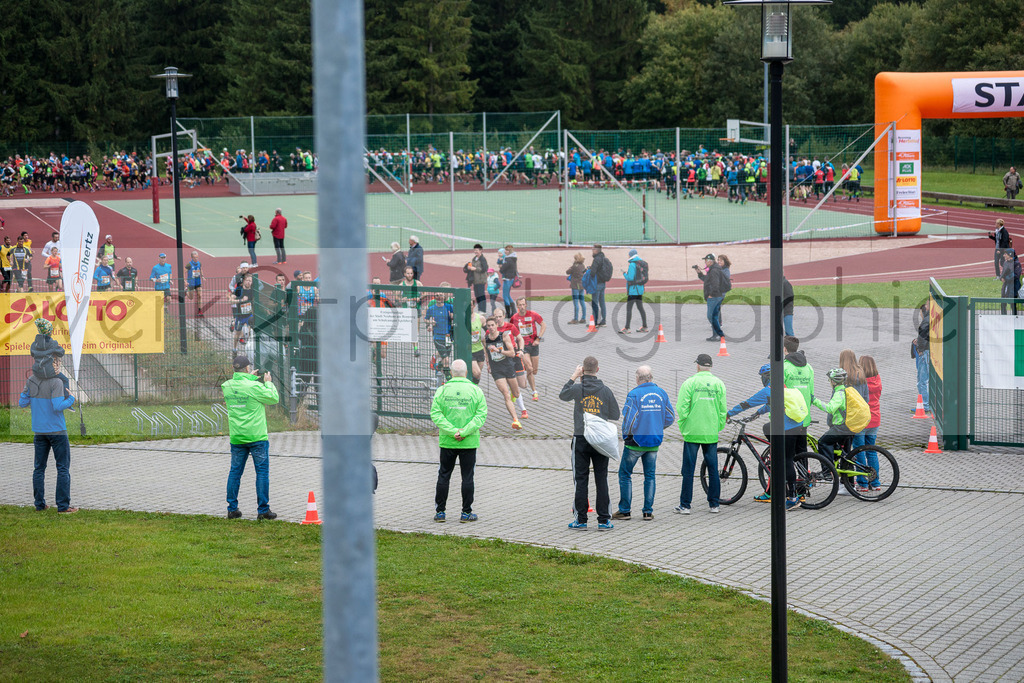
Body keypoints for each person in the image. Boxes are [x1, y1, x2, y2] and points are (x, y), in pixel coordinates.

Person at [727, 363, 806, 509]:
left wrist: (729, 414)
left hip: (786, 428)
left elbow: (747, 403)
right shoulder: (782, 387)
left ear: (766, 377)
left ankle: (793, 497)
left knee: (785, 459)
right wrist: (756, 415)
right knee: (768, 429)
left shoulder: (768, 390)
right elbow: (770, 405)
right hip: (797, 425)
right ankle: (792, 489)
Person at [559, 356, 620, 530]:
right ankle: (603, 520)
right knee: (602, 479)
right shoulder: (606, 390)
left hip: (580, 438)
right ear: (598, 370)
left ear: (582, 371)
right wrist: (600, 413)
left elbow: (563, 395)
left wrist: (573, 377)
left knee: (580, 480)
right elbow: (615, 414)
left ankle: (581, 520)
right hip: (600, 440)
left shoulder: (577, 389)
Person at [222, 354, 280, 520]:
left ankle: (232, 509)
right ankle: (263, 510)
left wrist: (249, 379)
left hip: (237, 437)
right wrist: (267, 382)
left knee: (235, 472)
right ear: (247, 368)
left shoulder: (226, 386)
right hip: (257, 437)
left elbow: (240, 388)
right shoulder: (254, 386)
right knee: (261, 473)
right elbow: (273, 398)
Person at [613, 365, 675, 521]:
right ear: (651, 377)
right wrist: (657, 428)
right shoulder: (662, 393)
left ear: (637, 378)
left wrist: (626, 435)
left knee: (625, 475)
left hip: (635, 442)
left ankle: (625, 510)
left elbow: (629, 419)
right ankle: (647, 511)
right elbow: (670, 417)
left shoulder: (634, 394)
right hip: (653, 442)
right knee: (650, 476)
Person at [429, 359, 487, 523]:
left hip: (448, 441)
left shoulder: (442, 390)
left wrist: (452, 431)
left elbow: (436, 414)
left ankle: (440, 512)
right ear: (467, 373)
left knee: (444, 475)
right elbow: (481, 415)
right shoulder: (476, 391)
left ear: (451, 373)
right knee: (467, 477)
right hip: (469, 442)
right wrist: (465, 431)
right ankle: (466, 513)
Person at [19, 353, 77, 513]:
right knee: (63, 468)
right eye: (57, 363)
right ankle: (63, 506)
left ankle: (39, 504)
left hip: (39, 431)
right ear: (53, 365)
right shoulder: (57, 382)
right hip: (57, 431)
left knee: (39, 468)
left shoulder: (31, 381)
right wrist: (71, 399)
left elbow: (22, 402)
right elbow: (58, 406)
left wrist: (31, 395)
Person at [675, 353, 727, 514]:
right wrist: (717, 426)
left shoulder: (690, 383)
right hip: (710, 432)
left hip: (692, 432)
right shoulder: (719, 383)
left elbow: (681, 408)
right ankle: (714, 504)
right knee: (712, 469)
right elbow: (722, 409)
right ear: (710, 366)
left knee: (688, 470)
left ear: (697, 365)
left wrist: (684, 424)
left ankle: (685, 505)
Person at [483, 316, 522, 430]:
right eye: (488, 326)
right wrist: (488, 364)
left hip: (508, 367)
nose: (491, 328)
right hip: (496, 369)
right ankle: (516, 420)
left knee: (516, 393)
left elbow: (512, 353)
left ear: (496, 325)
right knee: (505, 394)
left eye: (492, 325)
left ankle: (513, 394)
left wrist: (499, 350)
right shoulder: (485, 339)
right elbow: (486, 352)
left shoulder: (504, 336)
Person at [813, 368, 855, 463]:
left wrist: (814, 400)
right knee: (843, 453)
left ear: (833, 381)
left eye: (830, 380)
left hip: (841, 427)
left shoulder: (839, 394)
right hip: (848, 426)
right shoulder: (846, 390)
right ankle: (845, 476)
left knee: (823, 442)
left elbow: (830, 409)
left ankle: (827, 471)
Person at [512, 296, 545, 401]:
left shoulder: (533, 315)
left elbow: (543, 325)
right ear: (517, 306)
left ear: (526, 305)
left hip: (534, 345)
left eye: (523, 304)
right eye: (519, 305)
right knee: (529, 368)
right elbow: (511, 332)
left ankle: (522, 374)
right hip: (523, 346)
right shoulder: (514, 318)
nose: (522, 307)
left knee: (534, 371)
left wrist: (538, 338)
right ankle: (534, 391)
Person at [859, 355, 883, 491]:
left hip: (862, 419)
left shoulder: (860, 381)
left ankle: (862, 483)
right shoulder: (877, 379)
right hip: (875, 419)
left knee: (859, 451)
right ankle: (875, 482)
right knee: (872, 451)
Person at [694, 253, 728, 341]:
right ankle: (716, 334)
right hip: (715, 296)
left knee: (711, 316)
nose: (705, 263)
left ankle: (717, 334)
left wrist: (711, 294)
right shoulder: (713, 269)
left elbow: (715, 284)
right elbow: (707, 280)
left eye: (706, 261)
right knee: (712, 316)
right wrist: (700, 273)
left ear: (710, 261)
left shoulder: (714, 270)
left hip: (714, 297)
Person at [839, 349, 868, 450]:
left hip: (846, 417)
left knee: (843, 448)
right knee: (856, 446)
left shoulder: (841, 377)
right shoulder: (861, 374)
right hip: (859, 414)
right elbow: (866, 397)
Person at [620, 248, 649, 333]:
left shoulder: (632, 264)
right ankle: (645, 326)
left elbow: (630, 278)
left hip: (633, 290)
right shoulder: (641, 263)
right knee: (640, 308)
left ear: (630, 255)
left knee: (629, 309)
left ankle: (627, 328)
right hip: (640, 289)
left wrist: (624, 274)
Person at [913, 303, 931, 414]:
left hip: (924, 352)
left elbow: (922, 336)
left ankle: (924, 405)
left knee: (922, 381)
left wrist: (920, 349)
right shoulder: (931, 319)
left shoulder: (926, 321)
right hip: (928, 351)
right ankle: (926, 404)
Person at [589, 244, 612, 326]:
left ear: (596, 250)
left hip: (597, 284)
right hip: (603, 283)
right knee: (602, 302)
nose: (592, 250)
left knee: (594, 303)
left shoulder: (596, 259)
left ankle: (595, 321)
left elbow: (592, 273)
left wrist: (590, 270)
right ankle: (603, 320)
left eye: (593, 249)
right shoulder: (604, 258)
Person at [466, 243, 488, 313]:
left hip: (481, 280)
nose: (475, 251)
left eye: (477, 250)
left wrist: (474, 268)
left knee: (481, 295)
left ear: (481, 251)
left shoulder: (482, 259)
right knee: (477, 295)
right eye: (474, 250)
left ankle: (483, 310)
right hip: (475, 280)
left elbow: (484, 269)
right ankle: (479, 309)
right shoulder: (474, 258)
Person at [498, 244, 518, 318]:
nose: (505, 251)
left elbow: (502, 269)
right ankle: (514, 310)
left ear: (509, 251)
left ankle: (508, 313)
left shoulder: (508, 259)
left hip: (507, 278)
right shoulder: (513, 258)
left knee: (505, 295)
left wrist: (501, 266)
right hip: (511, 278)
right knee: (508, 295)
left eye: (506, 250)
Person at [566, 252, 586, 324]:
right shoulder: (582, 265)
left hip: (575, 286)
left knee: (576, 302)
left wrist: (571, 267)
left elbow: (567, 272)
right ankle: (583, 317)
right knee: (582, 302)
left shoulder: (575, 266)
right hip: (582, 286)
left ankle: (575, 319)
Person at [1001, 249, 1021, 315]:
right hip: (1005, 286)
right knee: (1003, 302)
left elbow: (1016, 275)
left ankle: (1014, 317)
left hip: (1013, 286)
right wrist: (1001, 277)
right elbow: (1003, 273)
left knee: (1013, 304)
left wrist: (1006, 278)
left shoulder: (1016, 263)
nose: (1004, 255)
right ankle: (1003, 317)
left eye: (1005, 254)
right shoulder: (1005, 262)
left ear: (1010, 255)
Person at [186, 250, 204, 316]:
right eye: (194, 257)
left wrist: (202, 276)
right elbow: (183, 272)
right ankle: (186, 292)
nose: (196, 259)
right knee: (191, 297)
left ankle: (200, 310)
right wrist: (185, 281)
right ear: (192, 258)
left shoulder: (199, 263)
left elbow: (201, 269)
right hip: (191, 283)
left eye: (197, 257)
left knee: (200, 295)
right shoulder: (189, 264)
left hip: (198, 282)